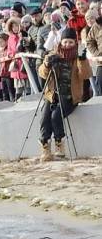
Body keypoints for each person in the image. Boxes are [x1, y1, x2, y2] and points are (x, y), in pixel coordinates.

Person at [38, 28, 93, 161]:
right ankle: (45, 147)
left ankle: (59, 145)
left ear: (75, 43)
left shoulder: (77, 57)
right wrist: (46, 64)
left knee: (56, 116)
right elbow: (42, 73)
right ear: (61, 42)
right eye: (65, 42)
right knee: (45, 118)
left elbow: (86, 75)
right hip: (52, 94)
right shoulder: (53, 54)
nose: (67, 45)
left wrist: (82, 60)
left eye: (70, 42)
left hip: (70, 96)